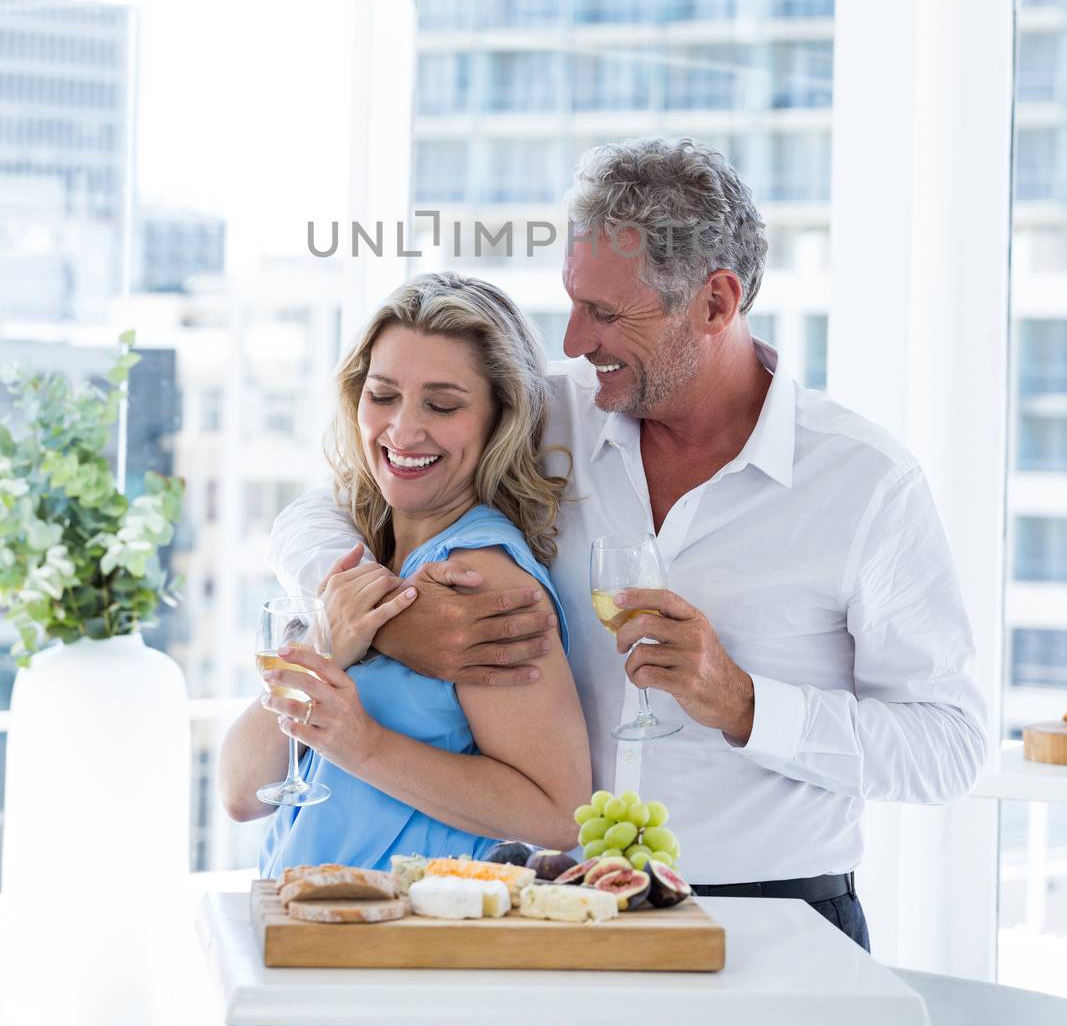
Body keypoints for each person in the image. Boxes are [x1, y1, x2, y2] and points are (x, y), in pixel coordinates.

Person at [271, 138, 988, 952]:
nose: (573, 341)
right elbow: (324, 506)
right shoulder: (549, 418)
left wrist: (745, 702)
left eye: (607, 313)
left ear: (715, 302)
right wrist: (385, 610)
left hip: (781, 926)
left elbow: (949, 748)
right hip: (574, 923)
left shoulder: (863, 483)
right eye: (574, 302)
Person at [219, 271, 591, 1026]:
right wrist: (329, 641)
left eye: (443, 404)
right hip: (296, 964)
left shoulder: (481, 578)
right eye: (382, 395)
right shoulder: (361, 564)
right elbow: (240, 790)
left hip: (399, 983)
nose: (403, 430)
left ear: (498, 421)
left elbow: (559, 811)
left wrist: (365, 744)